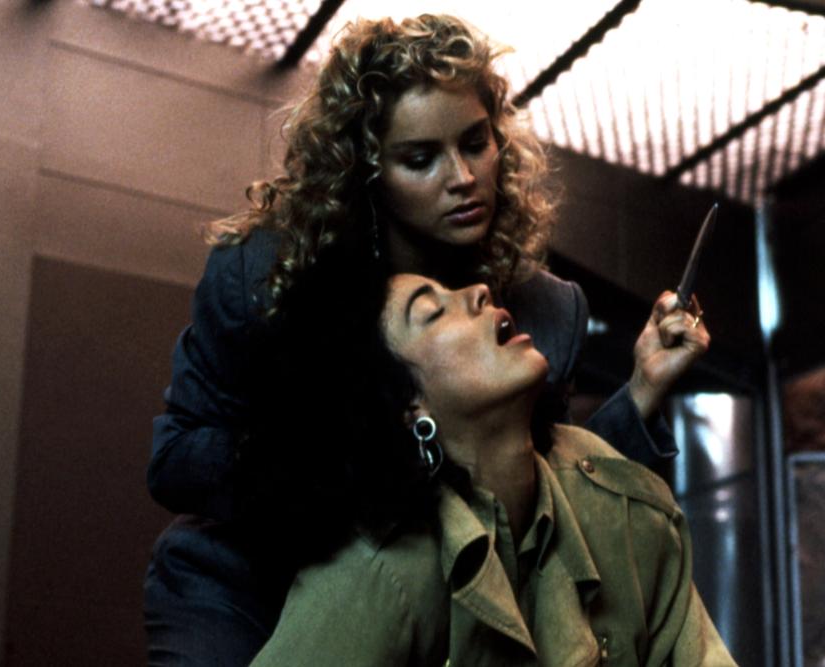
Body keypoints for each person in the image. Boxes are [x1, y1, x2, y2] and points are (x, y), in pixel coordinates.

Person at [143, 14, 710, 666]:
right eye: (420, 159)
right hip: (245, 587)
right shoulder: (263, 275)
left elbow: (555, 487)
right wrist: (357, 468)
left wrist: (642, 390)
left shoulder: (545, 313)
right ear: (366, 169)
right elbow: (176, 459)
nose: (462, 177)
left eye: (475, 142)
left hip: (430, 597)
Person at [248, 274, 735, 666]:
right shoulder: (374, 578)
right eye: (433, 311)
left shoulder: (620, 505)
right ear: (408, 407)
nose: (480, 291)